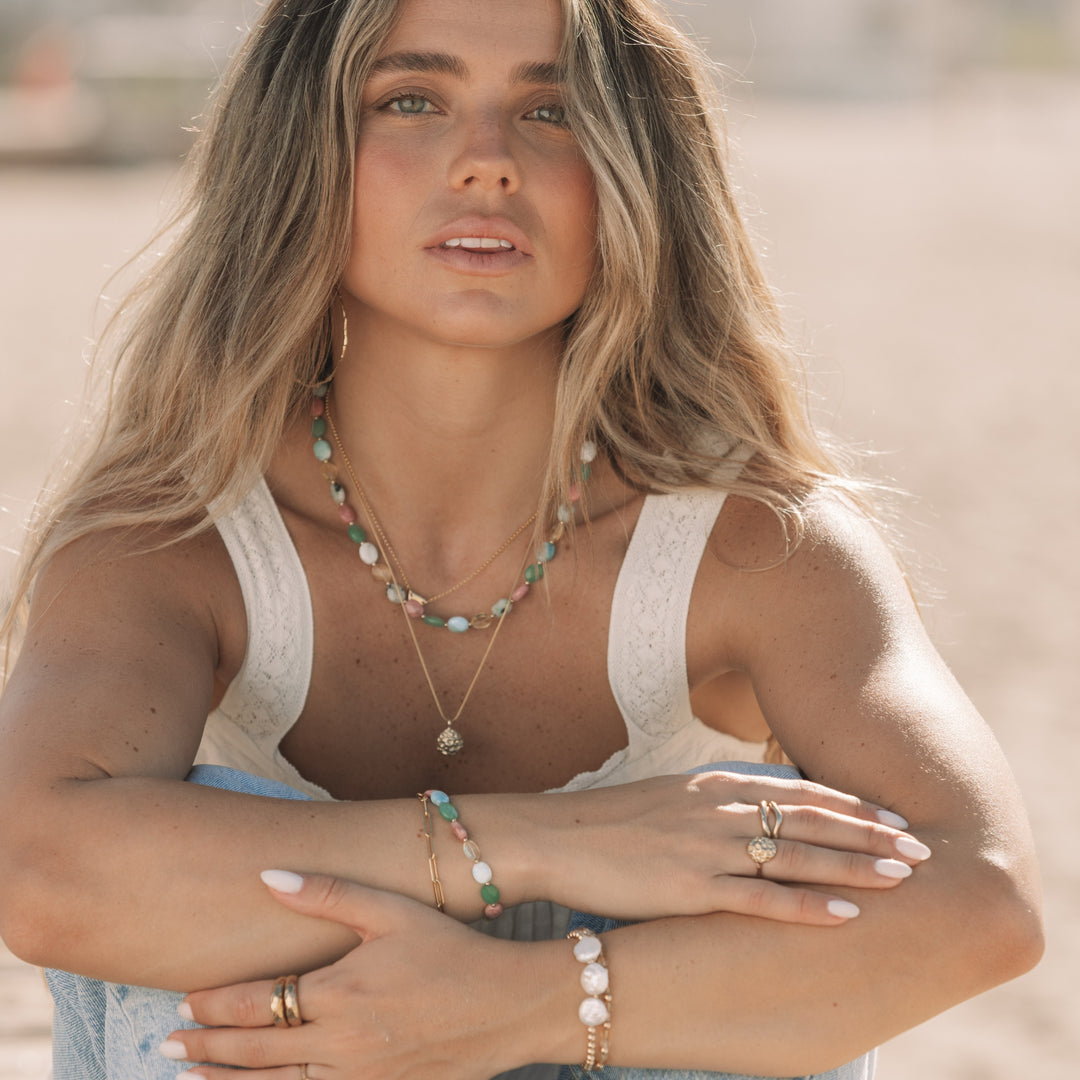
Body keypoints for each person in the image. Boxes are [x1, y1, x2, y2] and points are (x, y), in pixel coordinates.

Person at [0, 0, 1042, 1078]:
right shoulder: (171, 537)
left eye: (554, 110)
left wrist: (532, 1004)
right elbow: (41, 874)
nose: (489, 162)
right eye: (412, 99)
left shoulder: (755, 546)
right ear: (297, 151)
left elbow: (988, 897)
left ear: (633, 172)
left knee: (764, 885)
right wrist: (562, 845)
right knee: (175, 844)